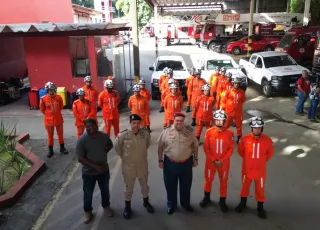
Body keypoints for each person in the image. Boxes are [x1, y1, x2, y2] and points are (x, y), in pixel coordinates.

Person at [157, 112, 199, 215]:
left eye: (181, 121)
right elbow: (160, 146)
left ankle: (185, 204)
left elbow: (195, 146)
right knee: (170, 185)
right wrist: (160, 160)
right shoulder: (166, 131)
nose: (179, 123)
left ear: (184, 121)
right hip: (170, 164)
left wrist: (196, 159)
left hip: (186, 163)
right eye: (177, 120)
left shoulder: (189, 132)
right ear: (173, 120)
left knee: (186, 185)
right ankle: (171, 204)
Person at [114, 114, 154, 219]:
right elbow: (117, 146)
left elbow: (147, 144)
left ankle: (146, 202)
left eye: (137, 123)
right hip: (129, 167)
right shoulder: (124, 135)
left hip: (142, 165)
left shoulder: (145, 134)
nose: (136, 125)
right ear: (130, 123)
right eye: (133, 123)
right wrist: (124, 156)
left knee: (145, 186)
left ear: (140, 123)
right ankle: (127, 207)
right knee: (128, 187)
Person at [75, 118, 114, 224]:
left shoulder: (103, 136)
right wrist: (96, 166)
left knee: (105, 190)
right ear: (85, 127)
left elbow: (110, 144)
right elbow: (80, 158)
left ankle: (106, 206)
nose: (90, 128)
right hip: (88, 173)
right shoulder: (82, 140)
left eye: (92, 125)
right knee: (88, 193)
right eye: (87, 126)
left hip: (103, 170)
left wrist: (104, 152)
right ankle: (88, 212)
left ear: (96, 126)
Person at [235, 116, 274, 219]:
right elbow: (241, 151)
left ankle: (260, 208)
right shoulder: (244, 140)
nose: (257, 129)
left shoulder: (267, 141)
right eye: (255, 128)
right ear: (251, 128)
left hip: (260, 171)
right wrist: (249, 161)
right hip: (247, 170)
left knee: (260, 190)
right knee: (244, 187)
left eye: (259, 128)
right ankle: (243, 204)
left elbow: (269, 154)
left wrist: (260, 161)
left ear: (262, 128)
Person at [200, 110, 234, 213]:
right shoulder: (209, 132)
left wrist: (222, 160)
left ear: (224, 121)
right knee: (208, 180)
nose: (219, 122)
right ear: (214, 121)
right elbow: (206, 148)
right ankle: (207, 198)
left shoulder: (229, 133)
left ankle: (222, 201)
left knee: (223, 182)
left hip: (224, 163)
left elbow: (231, 149)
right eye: (217, 120)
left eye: (221, 120)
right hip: (211, 162)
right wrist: (214, 160)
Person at [40, 82, 68, 158]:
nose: (51, 91)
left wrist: (56, 113)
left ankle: (62, 148)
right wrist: (49, 114)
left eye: (52, 89)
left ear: (54, 89)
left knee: (60, 134)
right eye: (49, 89)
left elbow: (61, 107)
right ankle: (50, 150)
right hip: (48, 121)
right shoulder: (43, 99)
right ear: (47, 90)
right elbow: (42, 109)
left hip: (58, 119)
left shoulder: (59, 97)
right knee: (50, 136)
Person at [220, 77, 246, 144]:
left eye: (237, 83)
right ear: (233, 84)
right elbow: (223, 101)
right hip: (229, 112)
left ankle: (239, 138)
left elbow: (243, 100)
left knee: (239, 126)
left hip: (238, 112)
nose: (236, 85)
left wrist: (237, 105)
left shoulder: (242, 92)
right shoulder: (228, 92)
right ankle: (223, 136)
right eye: (235, 83)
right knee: (226, 125)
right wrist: (224, 109)